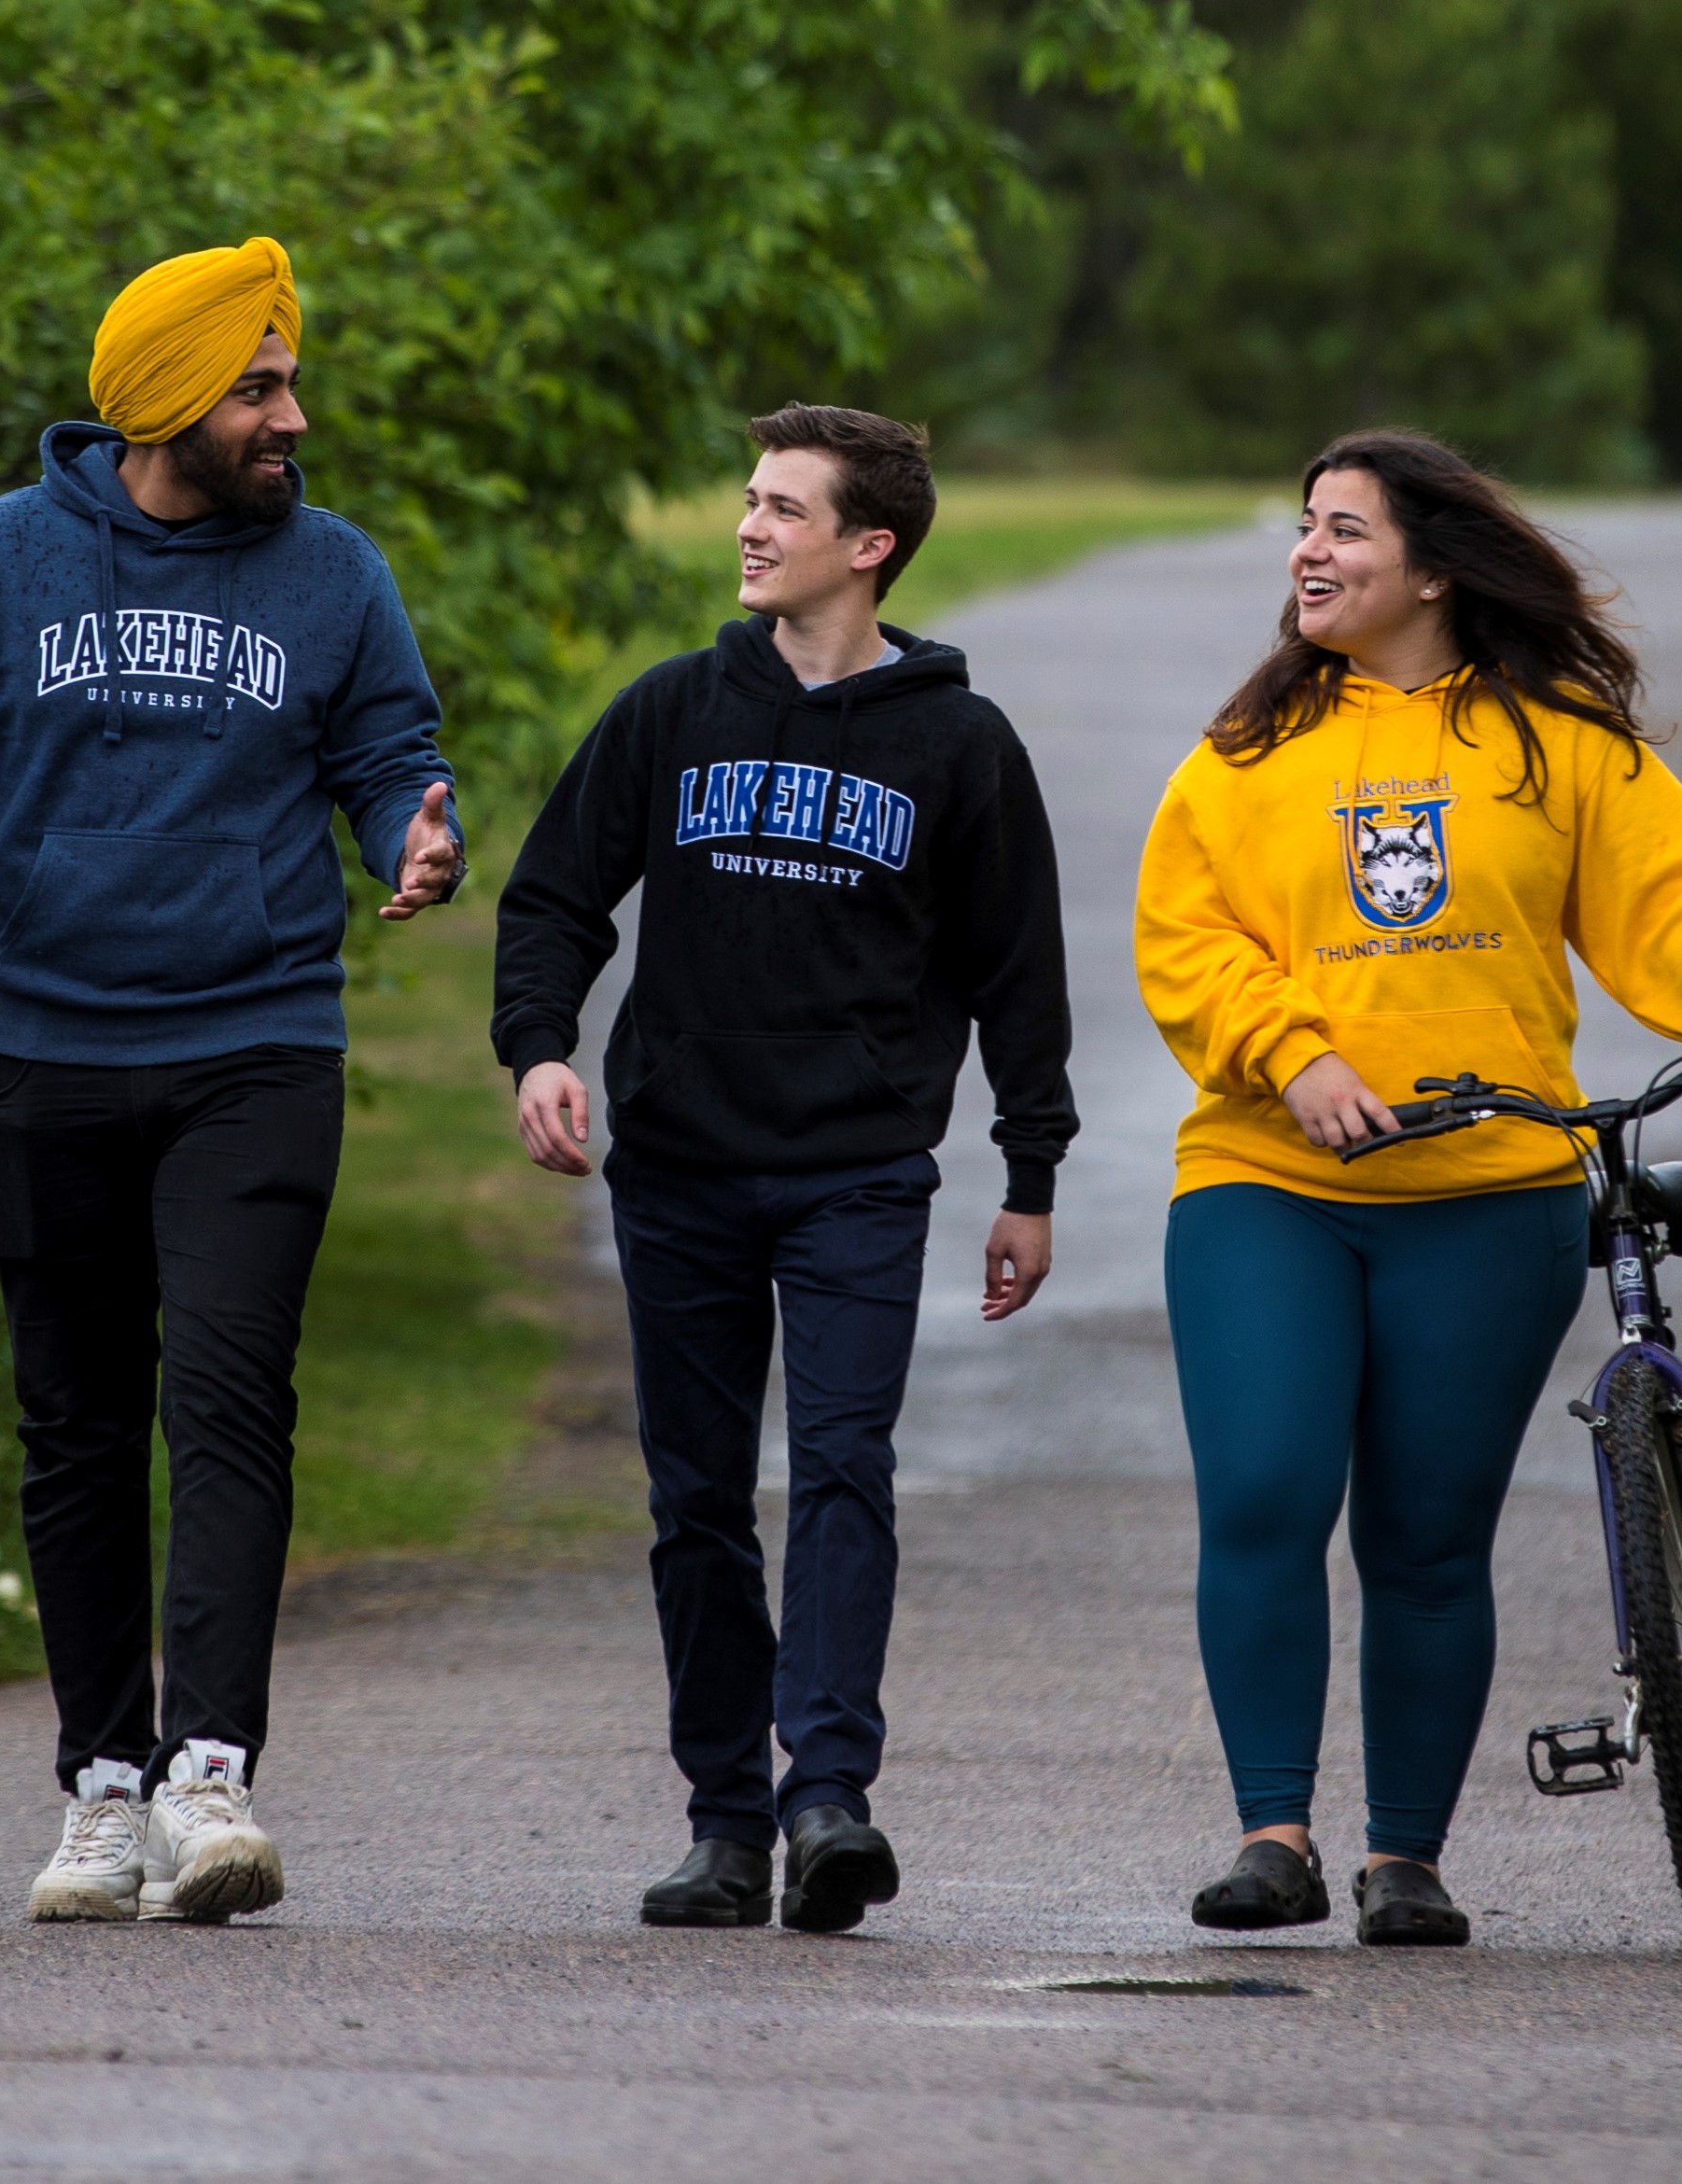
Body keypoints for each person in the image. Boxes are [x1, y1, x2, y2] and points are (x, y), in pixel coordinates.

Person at [0, 235, 463, 1925]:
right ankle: (103, 1792)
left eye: (288, 380)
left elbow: (391, 748)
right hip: (40, 1048)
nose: (294, 416)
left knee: (230, 1398)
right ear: (171, 400)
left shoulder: (331, 572)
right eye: (260, 387)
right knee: (76, 1425)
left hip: (255, 1044)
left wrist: (419, 824)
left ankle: (212, 1777)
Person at [492, 403, 1075, 1934]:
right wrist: (539, 1048)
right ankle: (726, 1824)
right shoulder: (672, 711)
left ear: (869, 546)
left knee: (840, 1471)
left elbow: (1020, 974)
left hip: (857, 1175)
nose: (748, 528)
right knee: (694, 1498)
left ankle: (829, 1795)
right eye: (748, 502)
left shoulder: (959, 743)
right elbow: (554, 895)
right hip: (678, 1170)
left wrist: (1032, 1172)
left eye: (782, 508)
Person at [1138, 429, 1682, 1947]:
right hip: (1269, 1183)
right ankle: (1272, 1837)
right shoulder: (1242, 756)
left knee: (1431, 1538)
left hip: (1491, 1198)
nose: (1309, 553)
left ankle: (1405, 1859)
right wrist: (1290, 1053)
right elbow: (1187, 947)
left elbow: (1667, 926)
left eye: (1344, 531)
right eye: (1304, 530)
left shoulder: (1564, 746)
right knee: (1264, 1494)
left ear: (1433, 566)